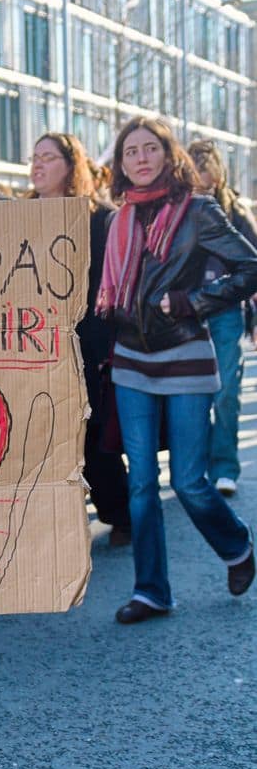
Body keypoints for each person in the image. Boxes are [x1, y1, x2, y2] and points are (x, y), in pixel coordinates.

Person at [96, 117, 257, 624]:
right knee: (142, 483)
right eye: (131, 152)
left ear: (168, 155)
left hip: (186, 355)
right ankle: (151, 591)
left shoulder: (199, 211)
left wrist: (194, 301)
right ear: (121, 164)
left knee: (188, 481)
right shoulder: (118, 219)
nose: (141, 158)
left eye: (150, 148)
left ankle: (236, 546)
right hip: (131, 360)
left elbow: (250, 267)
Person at [28, 133, 130, 545]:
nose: (37, 165)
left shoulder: (100, 219)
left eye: (48, 157)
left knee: (94, 437)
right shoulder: (17, 215)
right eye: (34, 157)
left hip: (88, 345)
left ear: (71, 166)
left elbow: (112, 288)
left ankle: (119, 515)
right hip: (35, 345)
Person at [188, 139, 257, 497]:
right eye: (196, 186)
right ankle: (196, 469)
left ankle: (225, 468)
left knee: (227, 391)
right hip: (187, 313)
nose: (202, 194)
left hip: (227, 312)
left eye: (208, 186)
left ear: (218, 178)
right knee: (193, 396)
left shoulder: (236, 213)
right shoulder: (177, 212)